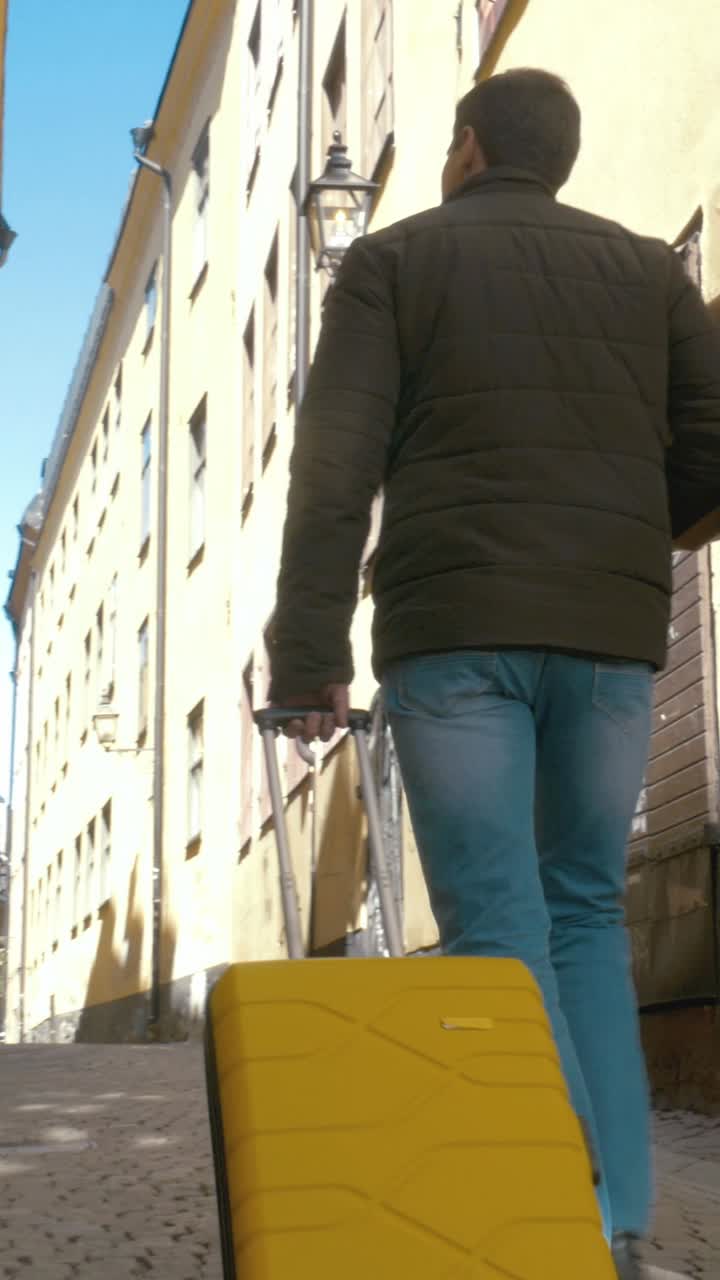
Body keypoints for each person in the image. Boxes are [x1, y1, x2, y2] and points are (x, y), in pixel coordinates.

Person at [267, 67, 720, 1279]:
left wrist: (308, 653)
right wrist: (626, 533)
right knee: (584, 914)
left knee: (495, 916)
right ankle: (622, 1225)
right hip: (612, 636)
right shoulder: (652, 277)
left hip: (456, 625)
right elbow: (712, 451)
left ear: (465, 146)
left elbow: (333, 471)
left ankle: (548, 1186)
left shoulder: (393, 264)